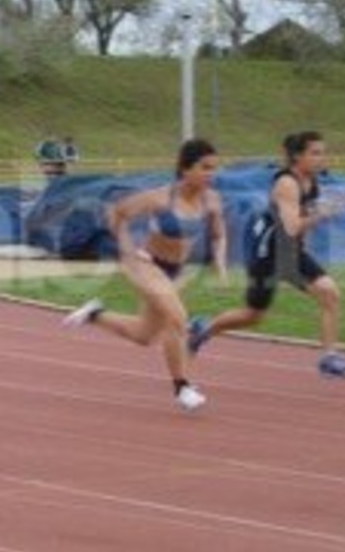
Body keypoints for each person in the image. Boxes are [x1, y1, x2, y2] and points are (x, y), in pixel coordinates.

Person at [61, 139, 227, 411]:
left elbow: (219, 235)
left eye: (213, 168)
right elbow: (118, 213)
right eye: (205, 167)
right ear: (185, 169)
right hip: (147, 265)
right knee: (178, 318)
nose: (211, 174)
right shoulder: (160, 197)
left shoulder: (212, 200)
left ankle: (95, 314)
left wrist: (219, 263)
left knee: (144, 335)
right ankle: (182, 386)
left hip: (174, 271)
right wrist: (126, 248)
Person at [188, 131, 345, 379]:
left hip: (291, 252)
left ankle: (329, 358)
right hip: (268, 254)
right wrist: (324, 212)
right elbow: (292, 226)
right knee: (252, 315)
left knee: (330, 293)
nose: (321, 158)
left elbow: (300, 225)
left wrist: (311, 237)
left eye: (322, 152)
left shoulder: (311, 183)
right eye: (315, 153)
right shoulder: (287, 184)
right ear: (297, 156)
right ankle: (203, 330)